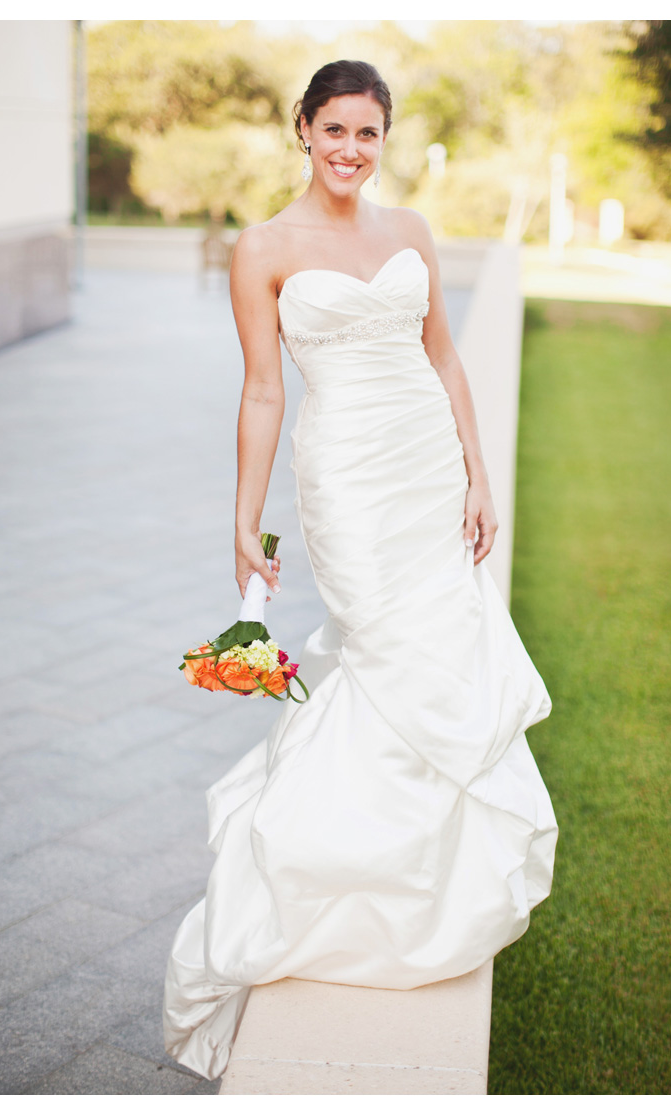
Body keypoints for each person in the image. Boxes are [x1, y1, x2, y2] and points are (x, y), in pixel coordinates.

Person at [163, 59, 557, 1082]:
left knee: (438, 651)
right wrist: (241, 521)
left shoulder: (412, 231)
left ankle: (420, 866)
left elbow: (444, 358)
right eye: (333, 130)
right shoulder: (263, 248)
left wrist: (476, 471)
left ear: (385, 139)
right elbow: (261, 393)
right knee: (385, 650)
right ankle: (314, 870)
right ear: (302, 129)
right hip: (344, 480)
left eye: (367, 134)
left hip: (427, 469)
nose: (349, 151)